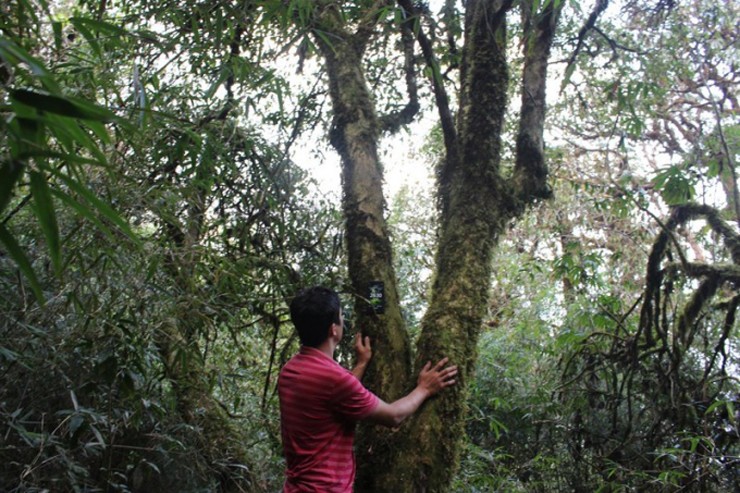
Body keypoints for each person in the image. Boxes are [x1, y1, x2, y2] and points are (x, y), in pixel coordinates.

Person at [278, 286, 458, 492]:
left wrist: (362, 364)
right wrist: (425, 388)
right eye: (340, 316)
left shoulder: (290, 371)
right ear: (333, 330)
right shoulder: (334, 380)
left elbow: (333, 398)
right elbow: (394, 416)